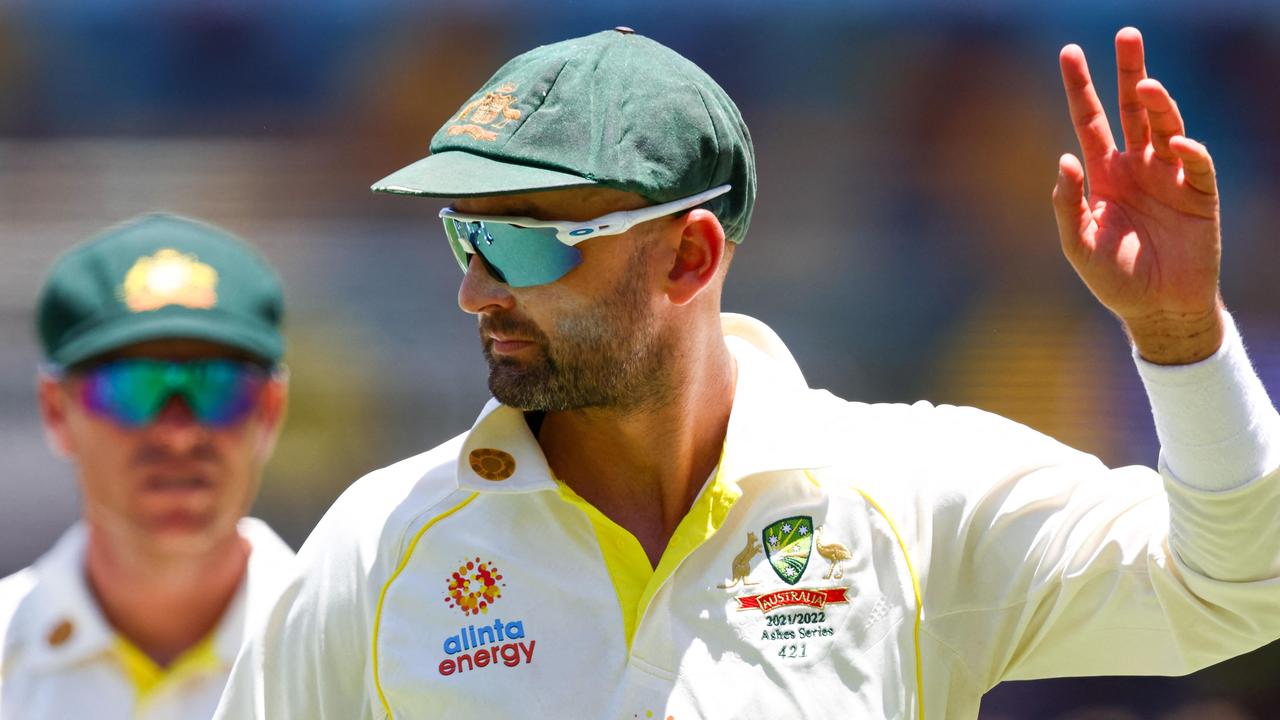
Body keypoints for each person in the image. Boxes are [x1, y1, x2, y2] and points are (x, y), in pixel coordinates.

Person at [215, 27, 1280, 719]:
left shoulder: (912, 495)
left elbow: (1237, 593)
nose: (477, 291)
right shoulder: (379, 546)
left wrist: (1178, 334)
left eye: (529, 244)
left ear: (687, 256)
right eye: (467, 239)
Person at [0, 214, 296, 719]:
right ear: (56, 410)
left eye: (216, 387)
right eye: (130, 389)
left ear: (269, 409)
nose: (177, 434)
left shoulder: (358, 641)